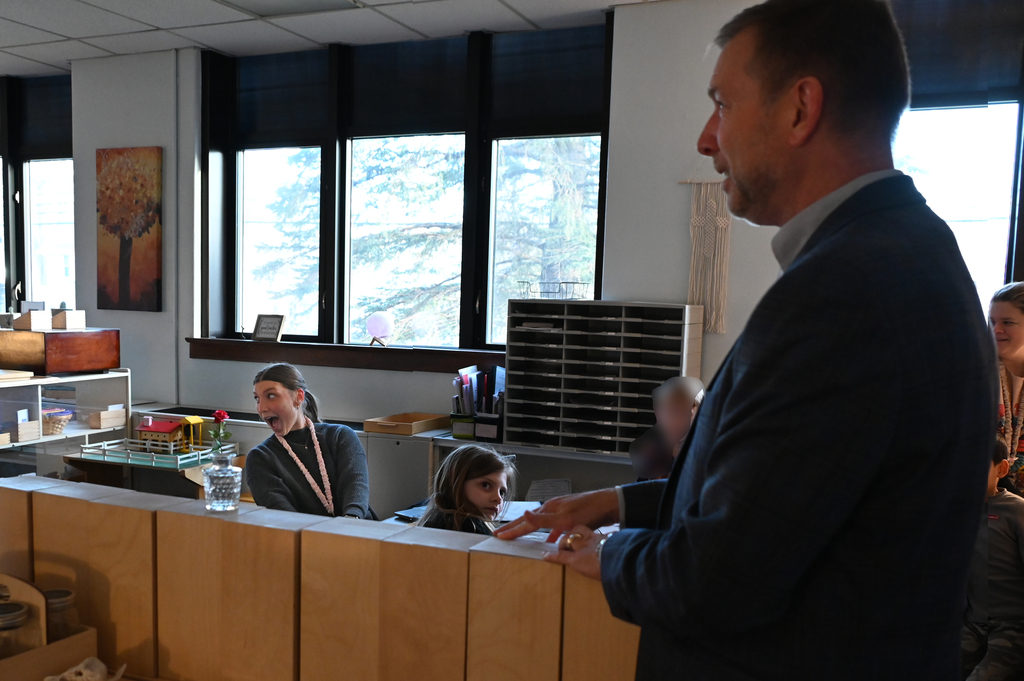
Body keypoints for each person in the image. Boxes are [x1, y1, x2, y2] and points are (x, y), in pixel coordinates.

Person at [496, 1, 996, 679]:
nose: (706, 138)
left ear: (799, 109)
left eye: (722, 105)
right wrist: (622, 501)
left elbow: (717, 582)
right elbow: (795, 503)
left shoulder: (841, 293)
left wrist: (608, 553)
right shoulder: (915, 250)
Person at [246, 363, 371, 518]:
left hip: (359, 532)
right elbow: (284, 517)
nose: (262, 407)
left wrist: (348, 526)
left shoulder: (340, 436)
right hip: (306, 539)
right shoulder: (260, 457)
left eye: (271, 396)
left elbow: (356, 488)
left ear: (298, 397)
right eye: (257, 399)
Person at [961, 439, 1024, 681]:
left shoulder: (1016, 511)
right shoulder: (956, 511)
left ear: (1002, 469)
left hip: (1013, 626)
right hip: (973, 622)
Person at [418, 445, 517, 535]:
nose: (498, 499)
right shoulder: (471, 529)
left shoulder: (434, 519)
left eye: (502, 492)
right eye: (485, 485)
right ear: (456, 483)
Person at [630, 377, 705, 480]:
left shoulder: (702, 458)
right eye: (671, 413)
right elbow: (642, 491)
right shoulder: (654, 454)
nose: (676, 421)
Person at [991, 282, 1024, 494]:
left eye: (1007, 322)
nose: (996, 329)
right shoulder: (975, 370)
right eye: (992, 321)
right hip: (985, 496)